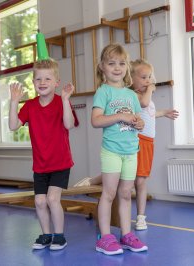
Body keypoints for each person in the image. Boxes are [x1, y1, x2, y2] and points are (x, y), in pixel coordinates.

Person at [76, 59, 179, 231]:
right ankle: (139, 216)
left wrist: (163, 113)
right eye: (144, 77)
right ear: (132, 78)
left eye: (150, 77)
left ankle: (137, 217)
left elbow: (148, 113)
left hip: (148, 142)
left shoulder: (139, 94)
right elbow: (145, 103)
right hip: (137, 141)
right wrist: (152, 89)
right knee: (135, 180)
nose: (148, 81)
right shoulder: (136, 94)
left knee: (137, 178)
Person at [9, 58, 76, 251]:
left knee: (52, 199)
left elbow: (69, 124)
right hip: (40, 165)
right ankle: (46, 235)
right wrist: (14, 102)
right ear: (33, 82)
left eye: (47, 78)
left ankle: (60, 236)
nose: (43, 82)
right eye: (38, 79)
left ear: (56, 82)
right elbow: (13, 126)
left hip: (60, 162)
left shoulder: (60, 102)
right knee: (39, 201)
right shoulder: (30, 106)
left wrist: (65, 100)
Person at [91, 43, 148, 255]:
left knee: (125, 194)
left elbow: (136, 119)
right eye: (111, 63)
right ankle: (105, 237)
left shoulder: (132, 95)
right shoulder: (103, 92)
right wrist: (121, 116)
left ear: (127, 67)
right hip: (112, 151)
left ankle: (126, 234)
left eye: (122, 63)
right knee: (109, 193)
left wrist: (139, 123)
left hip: (131, 151)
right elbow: (96, 121)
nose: (117, 68)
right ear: (102, 67)